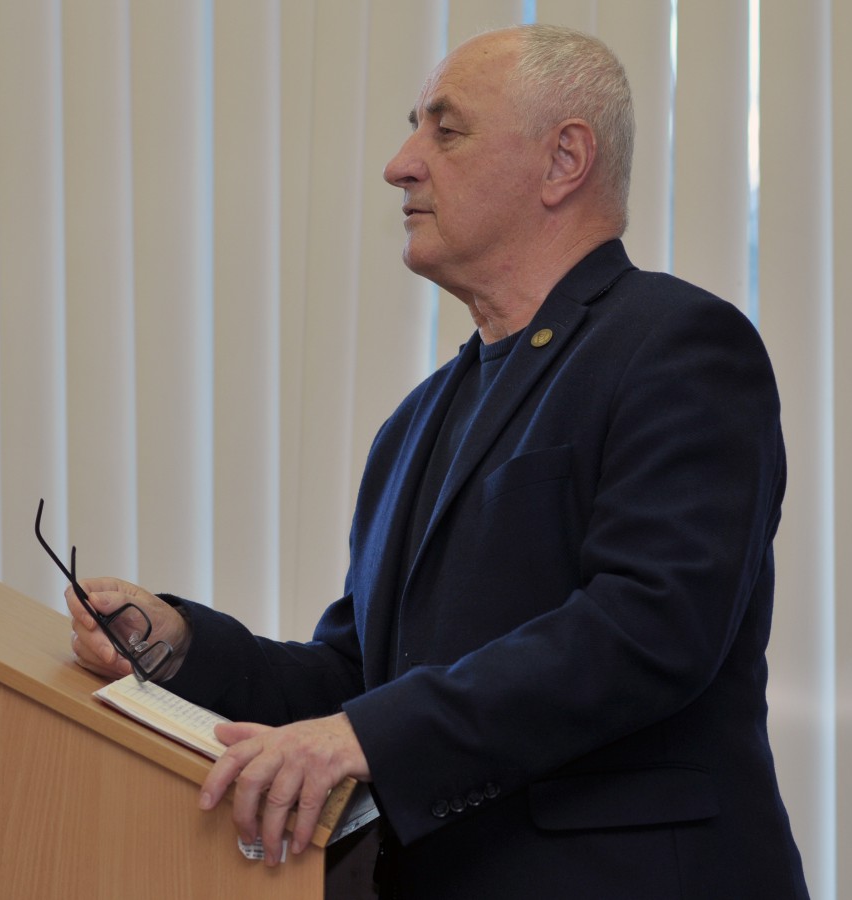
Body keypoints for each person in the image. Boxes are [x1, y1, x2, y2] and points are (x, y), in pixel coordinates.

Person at [67, 23, 810, 899]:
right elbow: (359, 679)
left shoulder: (676, 345)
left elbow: (649, 626)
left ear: (563, 160)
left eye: (444, 130)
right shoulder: (413, 424)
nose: (399, 165)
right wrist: (181, 649)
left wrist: (370, 736)